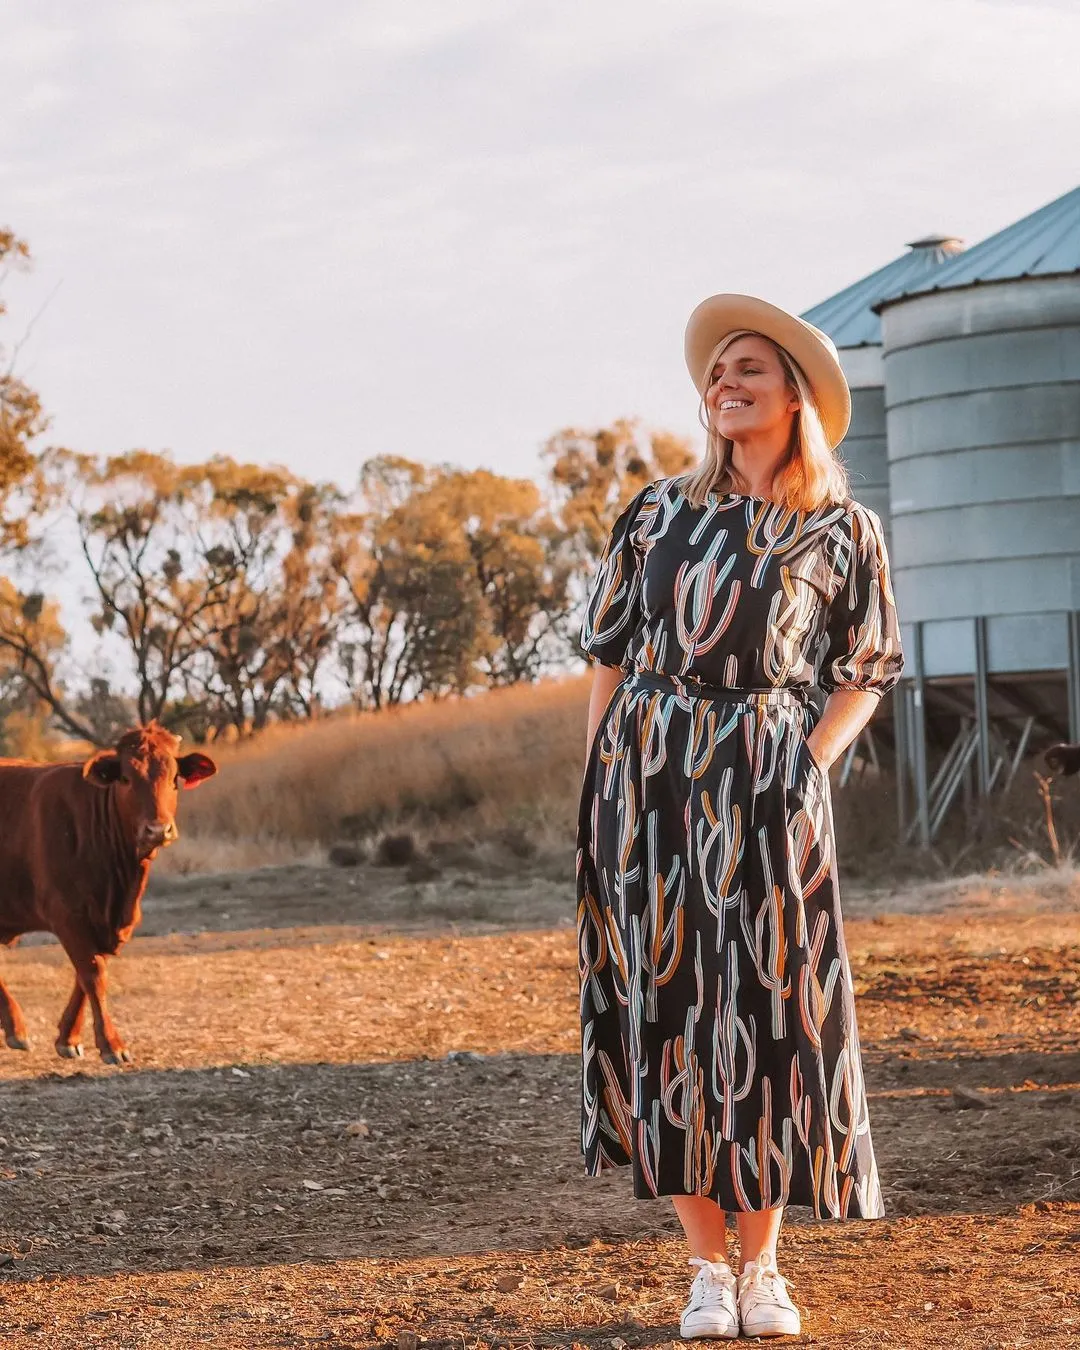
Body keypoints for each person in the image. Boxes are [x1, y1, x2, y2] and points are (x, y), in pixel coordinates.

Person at [576, 294, 903, 1340]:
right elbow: (611, 652)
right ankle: (704, 1269)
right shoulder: (657, 512)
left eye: (750, 368)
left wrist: (804, 765)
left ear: (795, 394)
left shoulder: (842, 528)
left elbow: (866, 671)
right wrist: (599, 783)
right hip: (652, 777)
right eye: (717, 370)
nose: (727, 382)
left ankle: (763, 1269)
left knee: (765, 1014)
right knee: (666, 1013)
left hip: (768, 779)